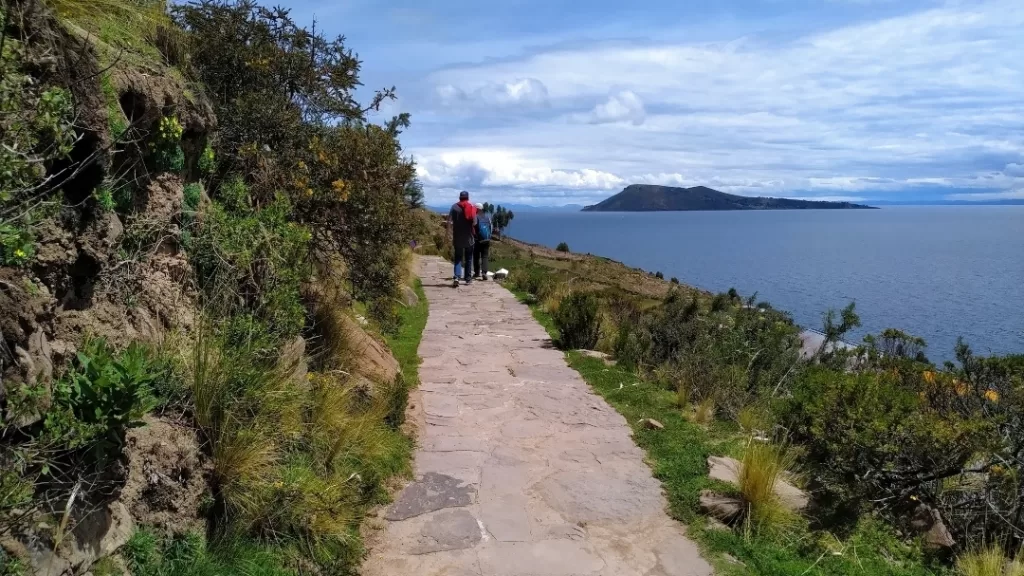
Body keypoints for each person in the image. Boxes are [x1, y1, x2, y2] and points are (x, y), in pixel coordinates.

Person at [447, 191, 477, 286]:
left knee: (458, 258)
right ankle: (468, 279)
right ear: (467, 198)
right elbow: (475, 223)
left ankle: (456, 277)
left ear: (460, 197)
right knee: (468, 258)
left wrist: (449, 233)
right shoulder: (471, 207)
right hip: (469, 238)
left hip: (457, 237)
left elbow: (449, 221)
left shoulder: (454, 207)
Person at [472, 202, 492, 280]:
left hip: (478, 240)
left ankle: (477, 273)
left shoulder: (475, 217)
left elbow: (473, 227)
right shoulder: (487, 217)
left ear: (477, 209)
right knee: (485, 256)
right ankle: (484, 273)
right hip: (487, 239)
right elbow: (491, 228)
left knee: (476, 256)